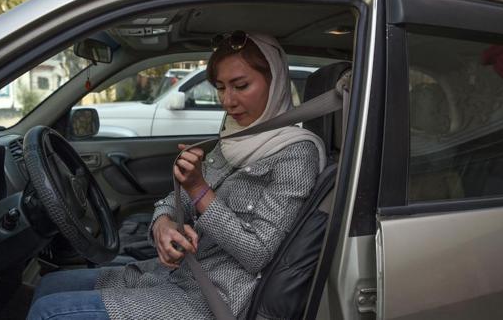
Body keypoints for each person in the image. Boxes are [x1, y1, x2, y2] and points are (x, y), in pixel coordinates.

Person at [27, 31, 326, 320]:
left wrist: (199, 189)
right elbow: (176, 198)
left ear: (275, 83)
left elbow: (258, 253)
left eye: (241, 85)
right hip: (176, 273)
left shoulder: (296, 154)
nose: (227, 100)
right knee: (48, 286)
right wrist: (163, 223)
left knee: (49, 311)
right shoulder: (236, 138)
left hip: (211, 299)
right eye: (221, 87)